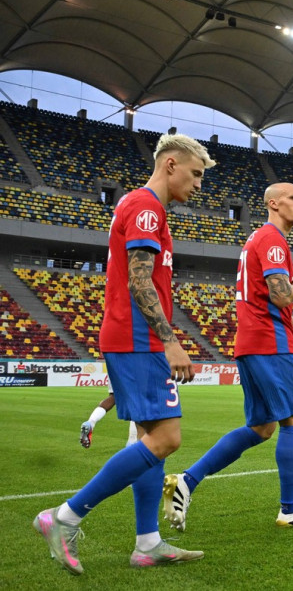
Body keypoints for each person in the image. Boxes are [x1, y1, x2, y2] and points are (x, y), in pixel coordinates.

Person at [34, 134, 212, 575]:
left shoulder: (141, 206)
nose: (199, 185)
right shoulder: (148, 208)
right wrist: (170, 341)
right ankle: (63, 518)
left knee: (152, 440)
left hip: (133, 337)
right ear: (171, 164)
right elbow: (138, 280)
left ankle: (147, 543)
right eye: (195, 174)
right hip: (138, 339)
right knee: (167, 438)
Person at [163, 182, 293, 531]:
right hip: (271, 344)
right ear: (273, 203)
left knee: (261, 427)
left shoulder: (257, 240)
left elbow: (267, 301)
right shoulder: (272, 239)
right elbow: (283, 297)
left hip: (254, 342)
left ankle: (187, 482)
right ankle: (291, 508)